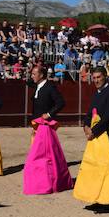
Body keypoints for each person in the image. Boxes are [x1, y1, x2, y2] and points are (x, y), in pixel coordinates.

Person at [74, 67, 109, 205]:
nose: (96, 80)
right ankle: (98, 197)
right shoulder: (97, 92)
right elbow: (90, 111)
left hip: (103, 133)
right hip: (94, 133)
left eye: (98, 77)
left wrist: (94, 130)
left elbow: (108, 116)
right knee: (96, 167)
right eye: (94, 78)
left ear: (105, 77)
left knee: (106, 168)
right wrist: (85, 125)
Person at [23, 65, 72, 194]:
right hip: (37, 125)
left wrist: (49, 114)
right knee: (39, 152)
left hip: (45, 125)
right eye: (32, 74)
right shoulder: (38, 86)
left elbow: (61, 102)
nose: (32, 76)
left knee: (43, 154)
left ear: (42, 75)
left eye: (34, 74)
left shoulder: (49, 87)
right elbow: (28, 81)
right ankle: (41, 178)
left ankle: (46, 180)